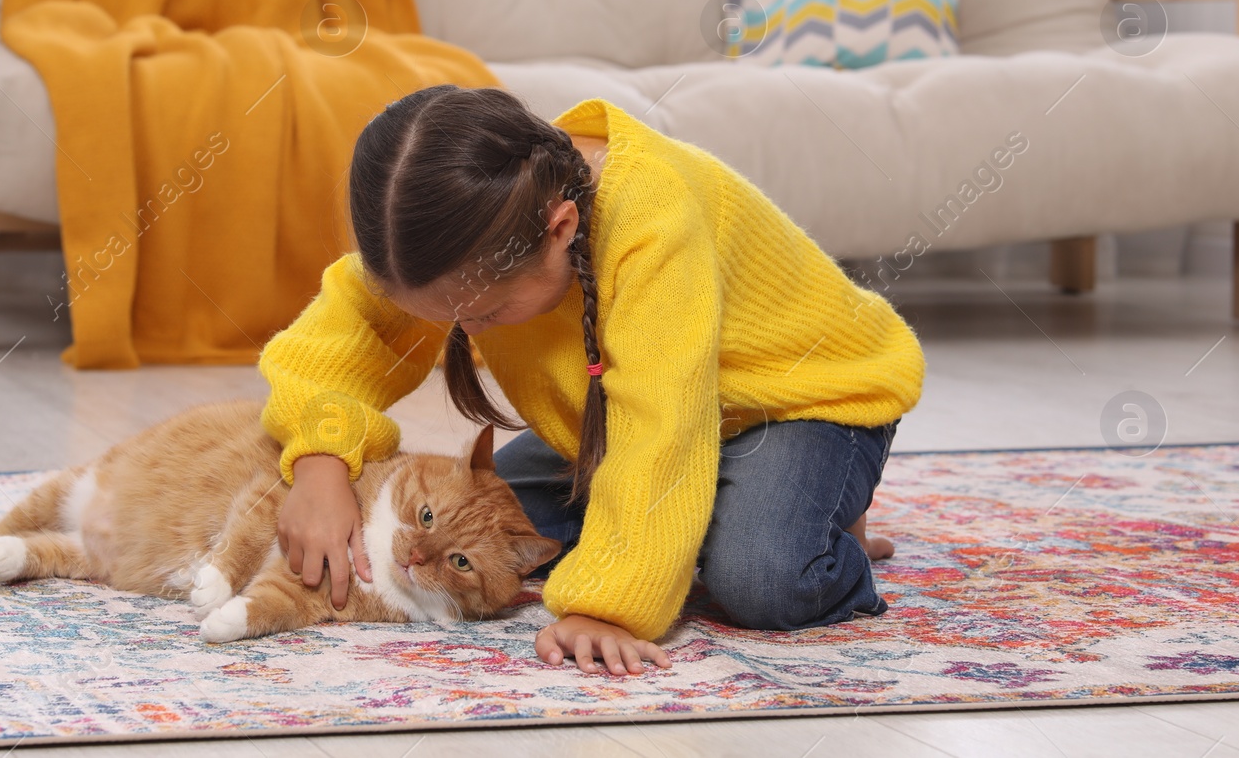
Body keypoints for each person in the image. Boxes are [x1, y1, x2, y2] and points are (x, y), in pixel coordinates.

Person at [261, 85, 924, 676]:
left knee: (762, 576)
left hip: (800, 399)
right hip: (618, 411)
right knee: (488, 529)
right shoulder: (470, 224)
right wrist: (320, 459)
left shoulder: (653, 221)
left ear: (562, 229)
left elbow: (658, 428)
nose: (468, 331)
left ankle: (823, 523)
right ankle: (725, 508)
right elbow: (339, 338)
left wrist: (610, 606)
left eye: (484, 315)